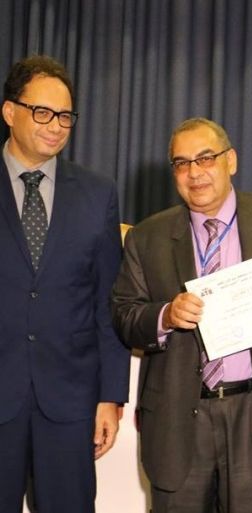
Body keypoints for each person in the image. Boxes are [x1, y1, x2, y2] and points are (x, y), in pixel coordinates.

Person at [111, 117, 252, 513]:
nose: (195, 173)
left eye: (206, 158)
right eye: (182, 163)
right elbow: (124, 317)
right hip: (178, 423)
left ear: (231, 160)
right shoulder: (146, 237)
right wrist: (166, 315)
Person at [0, 55, 130, 512]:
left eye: (65, 116)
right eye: (42, 112)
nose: (56, 126)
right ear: (10, 111)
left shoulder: (98, 193)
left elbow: (107, 300)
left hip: (70, 402)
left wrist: (110, 396)